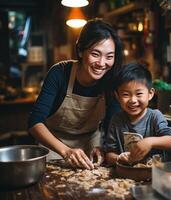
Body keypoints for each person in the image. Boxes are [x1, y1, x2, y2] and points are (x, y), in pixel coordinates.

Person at [28, 18, 123, 170]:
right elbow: (34, 122)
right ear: (80, 50)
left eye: (109, 56)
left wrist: (104, 148)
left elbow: (113, 124)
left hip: (92, 151)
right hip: (55, 148)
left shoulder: (111, 80)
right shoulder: (59, 73)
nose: (102, 63)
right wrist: (66, 151)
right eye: (95, 54)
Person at [105, 62, 171, 165]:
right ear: (117, 96)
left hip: (154, 174)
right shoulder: (116, 120)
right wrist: (119, 158)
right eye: (126, 94)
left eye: (139, 94)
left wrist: (150, 142)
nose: (133, 100)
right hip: (126, 175)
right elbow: (109, 154)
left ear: (150, 94)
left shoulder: (155, 116)